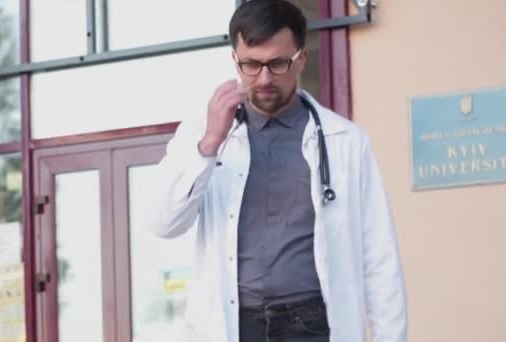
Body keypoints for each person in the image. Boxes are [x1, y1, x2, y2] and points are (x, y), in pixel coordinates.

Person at [152, 1, 407, 341]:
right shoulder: (202, 133)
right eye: (251, 65)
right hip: (236, 325)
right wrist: (209, 144)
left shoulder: (345, 140)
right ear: (235, 61)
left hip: (313, 323)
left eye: (277, 63)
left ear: (301, 58)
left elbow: (379, 259)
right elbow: (163, 222)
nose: (264, 78)